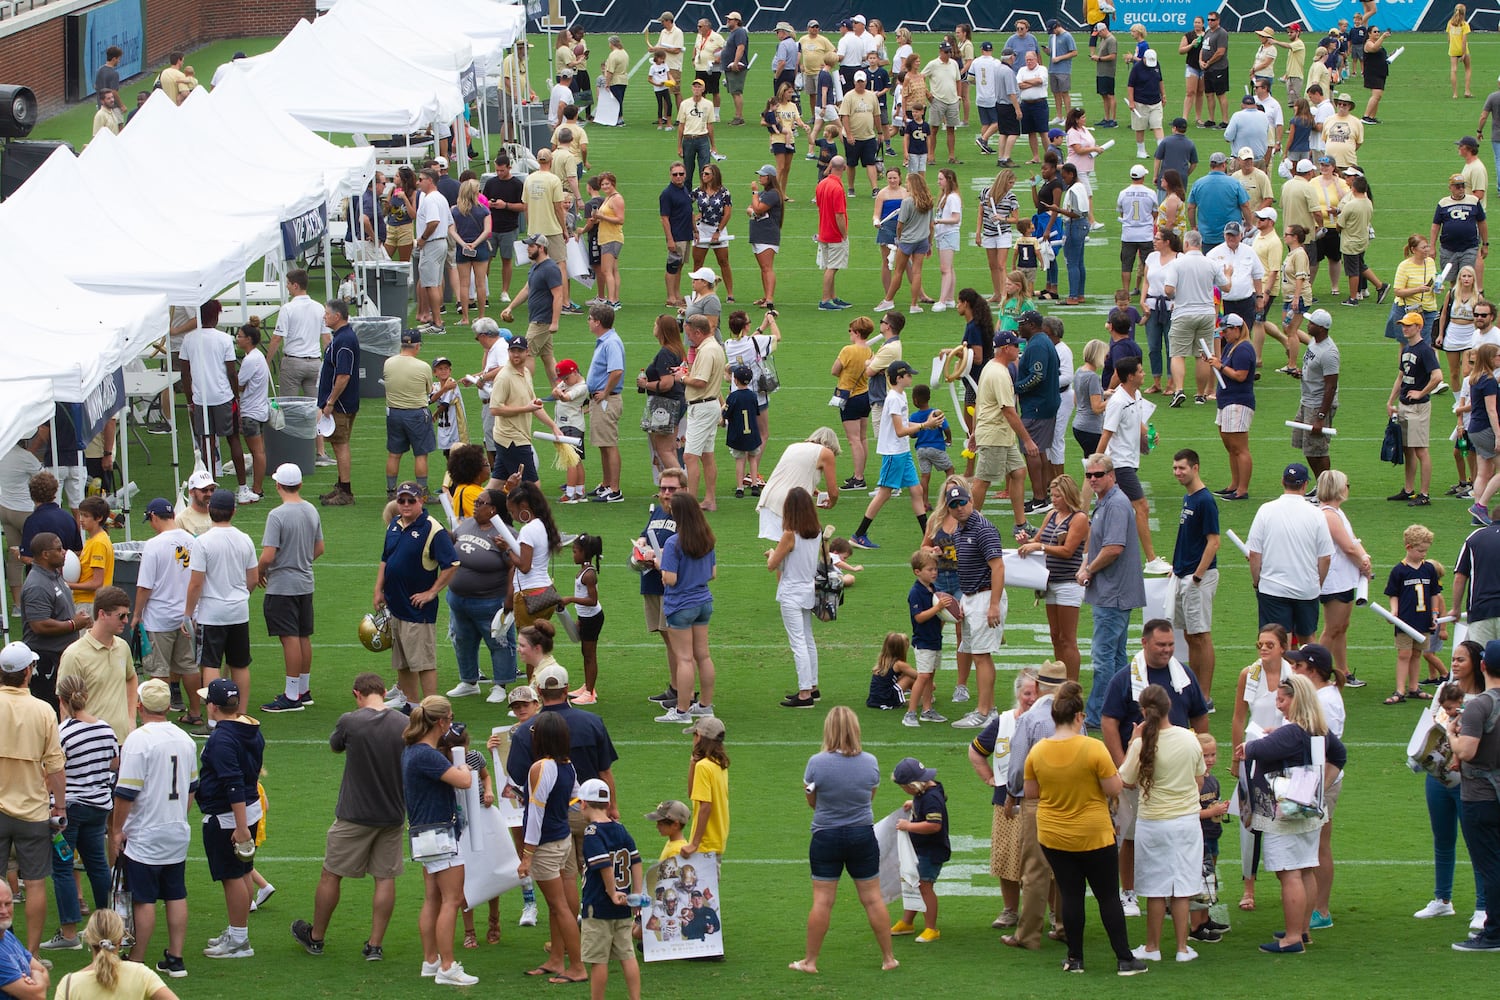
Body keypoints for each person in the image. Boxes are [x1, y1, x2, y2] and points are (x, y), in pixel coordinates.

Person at [1024, 680, 1146, 976]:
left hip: (1054, 834)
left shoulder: (1038, 752)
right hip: (1093, 833)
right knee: (1107, 896)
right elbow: (1115, 787)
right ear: (1079, 716)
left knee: (1071, 894)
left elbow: (1030, 793)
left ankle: (1075, 958)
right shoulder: (1093, 748)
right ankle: (1124, 958)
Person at [288, 673, 406, 962]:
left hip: (354, 814)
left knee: (331, 873)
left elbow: (335, 746)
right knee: (385, 877)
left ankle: (316, 937)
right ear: (382, 691)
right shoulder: (404, 723)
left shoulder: (350, 721)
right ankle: (374, 946)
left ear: (357, 694)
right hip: (392, 813)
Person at [1235, 673, 1347, 954]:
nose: (1280, 706)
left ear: (1297, 699)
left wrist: (1249, 746)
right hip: (1309, 810)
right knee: (1306, 869)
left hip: (1284, 813)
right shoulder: (1317, 728)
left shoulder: (1292, 732)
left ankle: (1292, 939)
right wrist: (1320, 787)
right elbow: (1340, 754)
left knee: (1289, 874)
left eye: (1283, 700)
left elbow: (1252, 750)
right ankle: (1303, 930)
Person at [789, 706, 897, 974]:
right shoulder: (870, 761)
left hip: (826, 835)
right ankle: (888, 958)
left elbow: (811, 800)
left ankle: (810, 961)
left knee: (823, 901)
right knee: (872, 898)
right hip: (862, 834)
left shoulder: (817, 762)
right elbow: (868, 797)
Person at [111, 678, 196, 974]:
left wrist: (116, 829)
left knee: (144, 899)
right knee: (175, 893)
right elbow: (191, 789)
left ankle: (136, 960)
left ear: (139, 706)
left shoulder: (138, 739)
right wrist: (177, 816)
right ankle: (176, 958)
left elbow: (126, 793)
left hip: (145, 832)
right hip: (176, 829)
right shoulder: (185, 738)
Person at [1118, 684, 1207, 963]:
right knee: (1181, 886)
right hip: (1186, 822)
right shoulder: (1189, 739)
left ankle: (1152, 947)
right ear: (1169, 706)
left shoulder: (1141, 744)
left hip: (1153, 822)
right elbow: (1199, 779)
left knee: (1156, 888)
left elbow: (1125, 780)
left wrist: (1133, 741)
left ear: (1143, 711)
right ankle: (1182, 948)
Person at [401, 696, 478, 985]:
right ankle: (447, 966)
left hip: (424, 832)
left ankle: (431, 960)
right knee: (452, 899)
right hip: (440, 834)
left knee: (433, 898)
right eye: (450, 718)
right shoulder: (426, 754)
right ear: (441, 722)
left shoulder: (412, 751)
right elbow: (464, 781)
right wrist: (464, 769)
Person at [195, 678, 264, 960]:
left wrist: (239, 827)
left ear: (213, 706)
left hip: (229, 815)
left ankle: (239, 940)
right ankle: (238, 933)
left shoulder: (222, 738)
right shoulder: (249, 728)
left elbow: (232, 783)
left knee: (232, 876)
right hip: (247, 809)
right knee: (244, 873)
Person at [1077, 454, 1147, 729]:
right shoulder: (1107, 501)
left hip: (1113, 592)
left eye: (1098, 474)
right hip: (1114, 590)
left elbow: (1114, 548)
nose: (1093, 479)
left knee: (1104, 655)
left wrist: (1088, 570)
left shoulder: (1116, 504)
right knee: (1116, 655)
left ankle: (1097, 714)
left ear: (1112, 475)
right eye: (1089, 475)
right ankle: (1121, 709)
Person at [376, 482, 459, 705]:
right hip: (396, 605)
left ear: (421, 501)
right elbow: (386, 559)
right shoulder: (394, 524)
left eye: (410, 500)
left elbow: (451, 564)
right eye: (401, 500)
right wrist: (378, 590)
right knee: (402, 662)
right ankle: (412, 705)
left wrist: (431, 592)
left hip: (417, 609)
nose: (405, 504)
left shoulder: (433, 529)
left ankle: (432, 709)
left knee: (423, 663)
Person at [442, 490, 516, 701]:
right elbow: (455, 542)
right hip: (458, 597)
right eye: (476, 501)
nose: (475, 505)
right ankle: (469, 681)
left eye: (481, 502)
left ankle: (501, 685)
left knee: (499, 641)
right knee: (462, 640)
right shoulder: (466, 524)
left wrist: (506, 550)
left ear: (493, 509)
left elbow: (517, 566)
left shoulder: (506, 533)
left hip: (490, 600)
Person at [945, 483, 1006, 729]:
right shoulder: (960, 531)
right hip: (972, 596)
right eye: (954, 505)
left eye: (963, 502)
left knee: (981, 656)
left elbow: (998, 567)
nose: (959, 508)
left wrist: (993, 605)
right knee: (977, 653)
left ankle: (984, 712)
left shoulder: (983, 529)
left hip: (985, 597)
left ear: (971, 501)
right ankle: (987, 709)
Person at [1017, 475, 1089, 681]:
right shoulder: (1051, 515)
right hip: (1049, 582)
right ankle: (1060, 679)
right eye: (1052, 495)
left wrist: (1038, 546)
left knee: (1068, 639)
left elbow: (1067, 551)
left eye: (1058, 495)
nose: (1054, 499)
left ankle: (1072, 685)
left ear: (1069, 495)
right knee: (1056, 636)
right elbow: (1038, 540)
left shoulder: (1079, 518)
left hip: (1068, 583)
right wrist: (1027, 541)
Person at [577, 778, 642, 1000]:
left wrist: (612, 892)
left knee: (598, 961)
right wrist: (637, 895)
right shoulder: (620, 829)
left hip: (599, 905)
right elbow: (636, 860)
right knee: (627, 955)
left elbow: (603, 864)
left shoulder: (592, 832)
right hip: (624, 906)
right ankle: (635, 998)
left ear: (584, 804)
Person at [656, 492, 717, 724]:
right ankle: (705, 706)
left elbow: (670, 579)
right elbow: (712, 574)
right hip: (703, 601)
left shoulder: (674, 543)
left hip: (680, 604)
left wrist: (660, 565)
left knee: (683, 659)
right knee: (703, 656)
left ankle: (682, 711)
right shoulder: (707, 538)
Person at [1168, 450, 1221, 698]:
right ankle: (1197, 690)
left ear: (1195, 468)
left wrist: (1198, 576)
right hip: (1184, 573)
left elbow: (1214, 542)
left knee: (1201, 635)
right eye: (1175, 468)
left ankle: (1205, 695)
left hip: (1197, 577)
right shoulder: (1189, 498)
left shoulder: (1204, 501)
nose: (1178, 472)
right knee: (1191, 634)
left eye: (1182, 468)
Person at [767, 488, 822, 709]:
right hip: (808, 589)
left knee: (798, 642)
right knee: (807, 639)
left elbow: (772, 565)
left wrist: (771, 553)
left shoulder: (790, 534)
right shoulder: (816, 531)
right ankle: (812, 686)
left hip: (791, 591)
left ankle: (805, 692)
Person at [887, 757, 950, 943]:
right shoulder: (928, 792)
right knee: (913, 883)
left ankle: (931, 928)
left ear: (913, 785)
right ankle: (908, 922)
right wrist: (913, 803)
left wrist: (908, 826)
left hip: (931, 851)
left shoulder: (931, 798)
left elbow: (934, 825)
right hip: (921, 849)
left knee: (925, 886)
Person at [1389, 312, 1445, 507]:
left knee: (1421, 450)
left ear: (1419, 327)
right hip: (1405, 405)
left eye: (1409, 325)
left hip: (1418, 407)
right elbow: (1400, 376)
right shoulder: (1406, 349)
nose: (1405, 328)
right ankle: (1409, 489)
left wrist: (1421, 393)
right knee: (1408, 449)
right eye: (1404, 325)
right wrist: (1390, 401)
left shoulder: (1425, 350)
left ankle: (1424, 494)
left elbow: (1438, 376)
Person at [756, 429, 842, 539]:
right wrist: (832, 502)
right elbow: (833, 492)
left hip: (769, 497)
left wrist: (812, 488)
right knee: (797, 545)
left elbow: (791, 473)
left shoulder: (793, 446)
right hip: (790, 502)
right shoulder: (826, 453)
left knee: (784, 547)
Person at [316, 300, 360, 506]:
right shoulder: (342, 338)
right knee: (337, 443)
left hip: (340, 404)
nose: (324, 317)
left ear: (337, 316)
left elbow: (343, 375)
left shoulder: (344, 340)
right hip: (340, 402)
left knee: (340, 444)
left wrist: (331, 401)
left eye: (326, 314)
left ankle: (346, 491)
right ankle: (341, 486)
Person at [682, 315, 725, 510]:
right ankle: (710, 499)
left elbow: (700, 382)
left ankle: (690, 503)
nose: (689, 338)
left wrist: (682, 378)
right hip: (710, 405)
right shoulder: (714, 347)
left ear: (698, 332)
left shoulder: (707, 351)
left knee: (690, 456)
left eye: (690, 334)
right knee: (707, 455)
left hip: (702, 406)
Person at [584, 304, 625, 503]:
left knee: (609, 444)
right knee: (603, 444)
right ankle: (606, 483)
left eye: (590, 319)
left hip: (607, 400)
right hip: (600, 399)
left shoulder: (611, 343)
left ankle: (615, 489)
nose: (588, 322)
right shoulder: (606, 341)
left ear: (598, 322)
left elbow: (617, 370)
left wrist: (605, 393)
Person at [815, 157, 852, 311]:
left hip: (823, 230)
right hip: (834, 233)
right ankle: (825, 300)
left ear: (831, 166)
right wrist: (844, 234)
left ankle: (832, 297)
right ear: (844, 168)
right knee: (833, 267)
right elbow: (839, 214)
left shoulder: (822, 184)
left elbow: (819, 205)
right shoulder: (837, 188)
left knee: (830, 266)